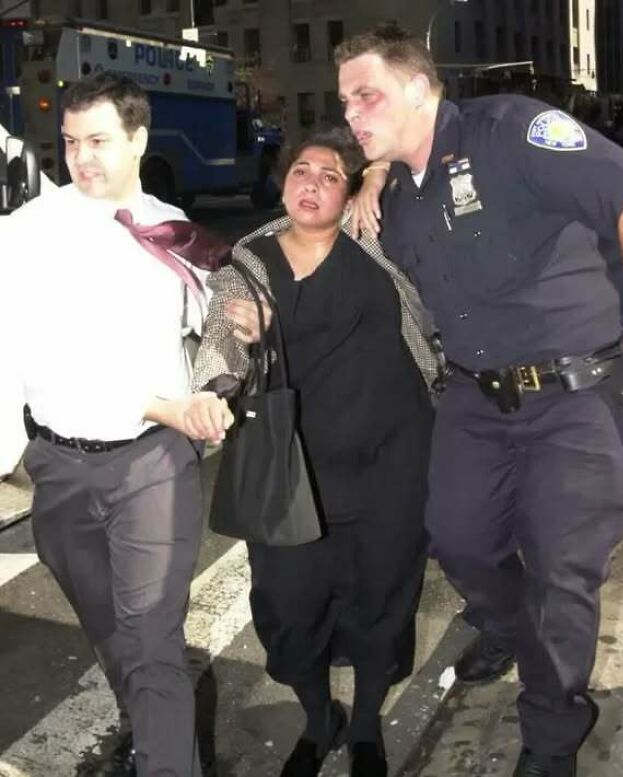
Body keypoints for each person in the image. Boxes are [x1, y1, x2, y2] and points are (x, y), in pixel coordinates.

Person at [336, 25, 623, 777]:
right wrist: (370, 174)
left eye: (369, 95)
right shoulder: (396, 191)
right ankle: (512, 630)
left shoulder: (513, 130)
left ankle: (551, 738)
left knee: (562, 570)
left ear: (422, 88)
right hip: (476, 400)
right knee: (456, 539)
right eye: (346, 102)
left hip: (580, 395)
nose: (354, 113)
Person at [0, 74, 234, 777]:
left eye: (99, 140)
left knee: (153, 640)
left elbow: (218, 331)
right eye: (70, 142)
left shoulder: (174, 234)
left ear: (137, 137)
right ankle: (151, 731)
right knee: (112, 633)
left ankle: (164, 755)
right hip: (58, 467)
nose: (82, 158)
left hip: (150, 467)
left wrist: (222, 369)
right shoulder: (28, 232)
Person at [192, 127, 440, 777]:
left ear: (351, 191)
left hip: (391, 462)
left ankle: (363, 727)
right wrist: (214, 388)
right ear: (282, 181)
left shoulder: (377, 244)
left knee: (382, 598)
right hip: (291, 472)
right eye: (302, 170)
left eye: (332, 175)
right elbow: (221, 338)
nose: (312, 183)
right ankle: (317, 715)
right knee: (289, 607)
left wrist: (380, 171)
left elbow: (422, 148)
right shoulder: (247, 262)